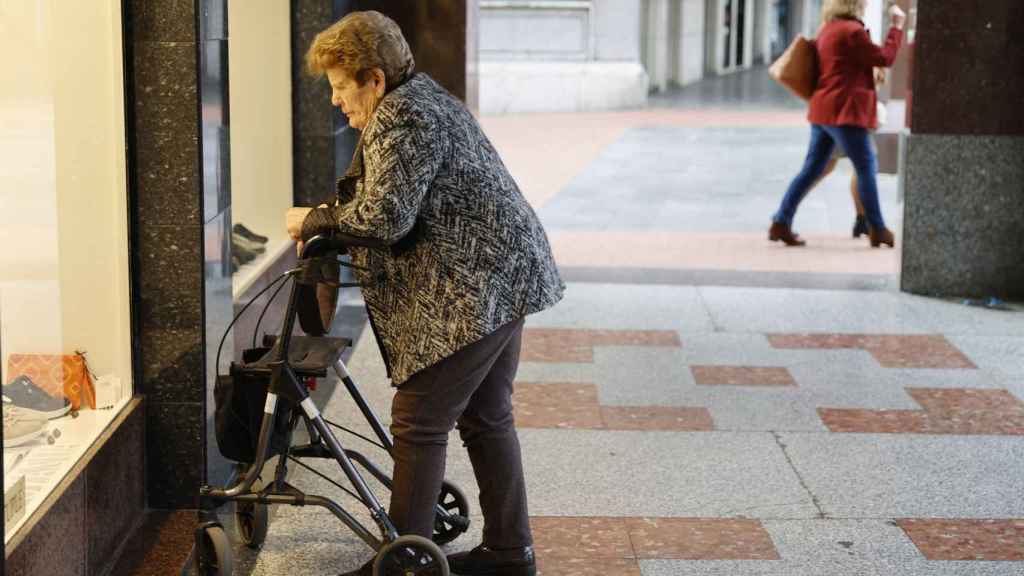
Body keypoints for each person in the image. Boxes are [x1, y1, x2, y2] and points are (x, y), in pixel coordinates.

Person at [286, 11, 564, 576]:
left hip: (477, 287)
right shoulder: (423, 100)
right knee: (487, 418)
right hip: (501, 277)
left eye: (341, 87)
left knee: (419, 419)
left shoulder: (405, 116)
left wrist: (314, 220)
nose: (337, 101)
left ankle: (403, 562)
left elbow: (386, 216)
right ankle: (511, 554)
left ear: (375, 79)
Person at [769, 0, 906, 248]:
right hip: (844, 112)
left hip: (822, 110)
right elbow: (885, 58)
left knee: (811, 170)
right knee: (866, 165)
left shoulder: (828, 28)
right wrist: (897, 27)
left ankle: (781, 221)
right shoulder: (852, 32)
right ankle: (877, 228)